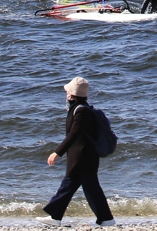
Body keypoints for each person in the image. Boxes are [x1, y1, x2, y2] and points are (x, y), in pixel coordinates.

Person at [37, 77, 115, 227]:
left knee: (82, 188)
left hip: (82, 157)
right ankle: (57, 217)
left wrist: (57, 152)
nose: (65, 94)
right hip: (82, 156)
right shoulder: (81, 108)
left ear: (71, 95)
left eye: (67, 91)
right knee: (76, 187)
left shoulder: (81, 111)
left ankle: (106, 219)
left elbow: (74, 133)